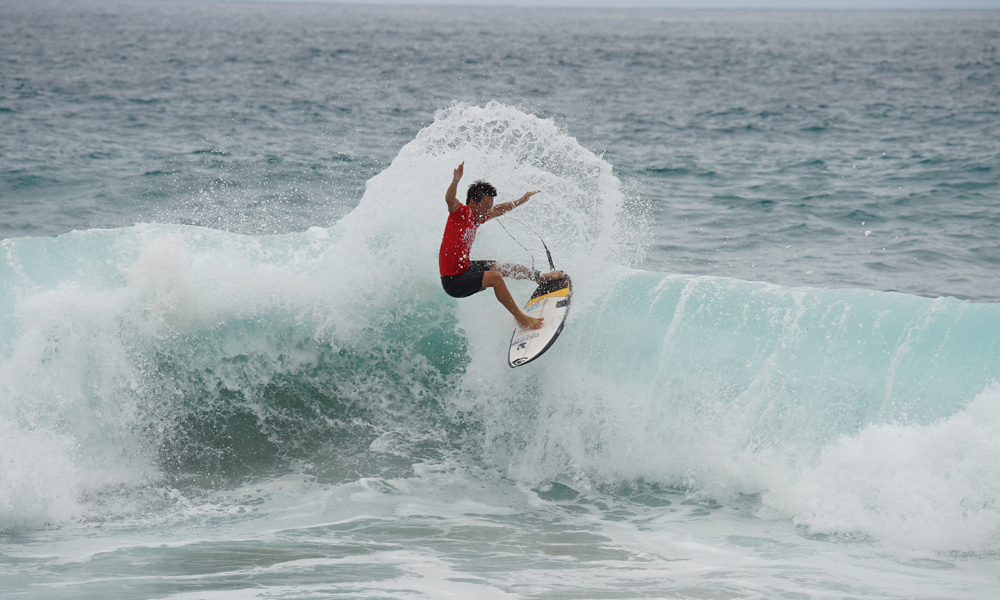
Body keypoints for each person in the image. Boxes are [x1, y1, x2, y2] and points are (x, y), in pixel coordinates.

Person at [439, 161, 563, 330]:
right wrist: (455, 181)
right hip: (453, 281)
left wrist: (521, 200)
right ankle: (521, 319)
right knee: (495, 278)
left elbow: (498, 210)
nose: (487, 211)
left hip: (465, 269)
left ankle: (540, 277)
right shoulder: (460, 213)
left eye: (489, 207)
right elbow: (449, 199)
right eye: (485, 206)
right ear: (473, 203)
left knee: (501, 267)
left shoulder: (478, 217)